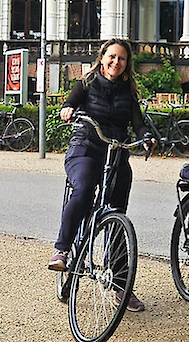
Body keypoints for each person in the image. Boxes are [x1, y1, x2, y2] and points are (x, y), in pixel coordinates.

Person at [48, 39, 151, 312]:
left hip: (116, 153)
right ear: (102, 57)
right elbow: (70, 103)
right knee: (83, 190)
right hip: (86, 148)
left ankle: (121, 286)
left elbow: (138, 124)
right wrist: (68, 110)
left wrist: (146, 137)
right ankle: (63, 249)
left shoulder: (128, 94)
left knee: (118, 220)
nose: (116, 62)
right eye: (112, 57)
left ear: (127, 64)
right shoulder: (86, 83)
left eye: (122, 59)